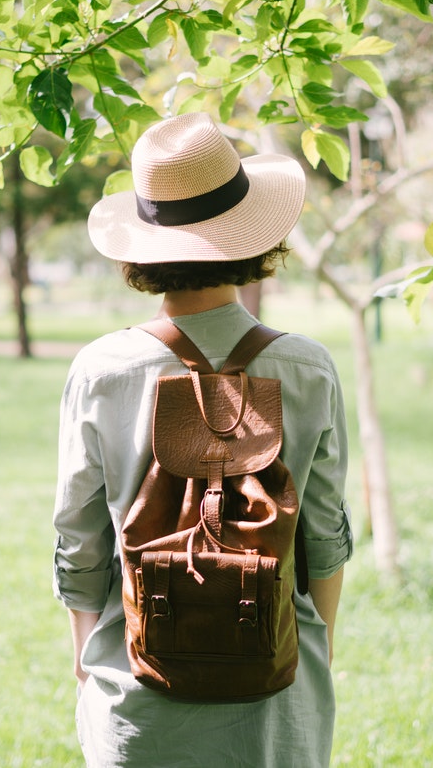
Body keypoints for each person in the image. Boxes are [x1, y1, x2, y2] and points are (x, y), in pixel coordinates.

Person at [52, 113, 354, 767]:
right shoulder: (307, 367)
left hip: (135, 696)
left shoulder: (102, 369)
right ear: (251, 237)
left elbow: (79, 540)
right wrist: (315, 644)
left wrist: (88, 654)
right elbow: (324, 537)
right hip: (277, 698)